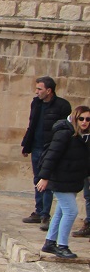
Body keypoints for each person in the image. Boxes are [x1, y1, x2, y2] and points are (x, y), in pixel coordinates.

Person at [37, 105, 90, 260]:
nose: (85, 122)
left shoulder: (84, 136)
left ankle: (50, 242)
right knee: (71, 211)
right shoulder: (64, 133)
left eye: (88, 119)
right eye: (81, 119)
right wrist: (44, 177)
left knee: (61, 211)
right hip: (60, 179)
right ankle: (62, 245)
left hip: (72, 180)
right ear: (75, 118)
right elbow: (52, 155)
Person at [22, 76, 72, 229]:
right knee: (37, 179)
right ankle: (39, 211)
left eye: (39, 89)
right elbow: (32, 124)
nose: (36, 92)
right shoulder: (36, 103)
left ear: (48, 90)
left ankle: (45, 214)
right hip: (36, 146)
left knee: (47, 181)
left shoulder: (62, 106)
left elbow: (64, 129)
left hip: (50, 148)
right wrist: (26, 145)